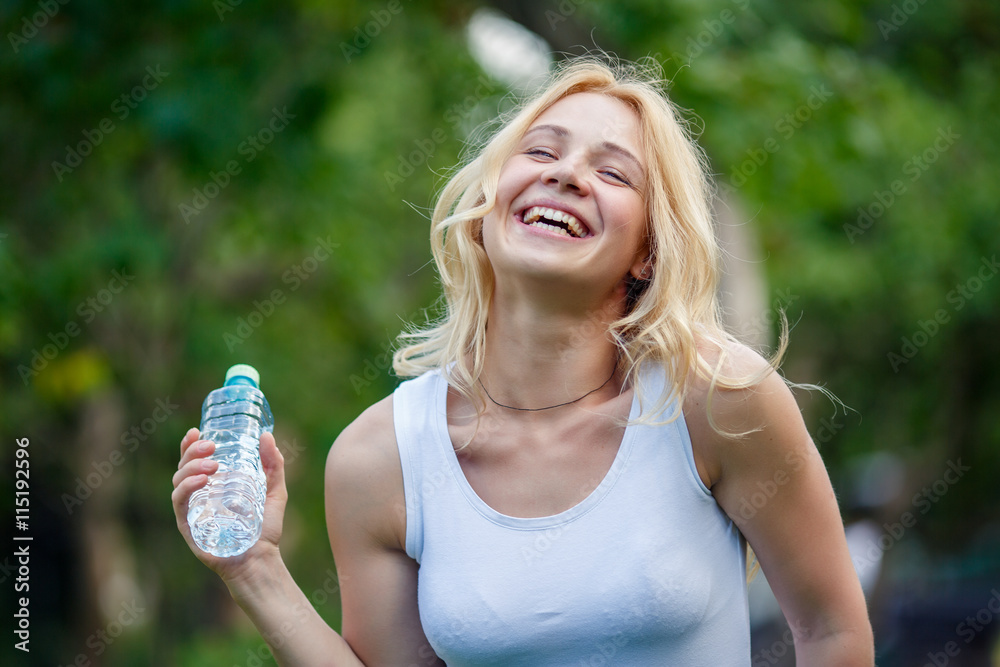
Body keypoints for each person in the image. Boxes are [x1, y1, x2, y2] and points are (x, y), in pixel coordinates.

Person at [172, 57, 874, 665]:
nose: (566, 174)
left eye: (613, 171)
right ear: (487, 207)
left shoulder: (719, 400)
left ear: (648, 252)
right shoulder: (380, 458)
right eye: (540, 152)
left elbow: (832, 630)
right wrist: (255, 569)